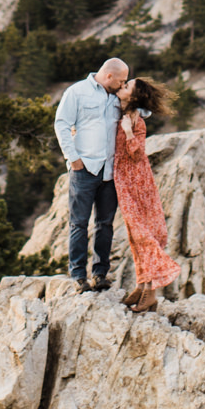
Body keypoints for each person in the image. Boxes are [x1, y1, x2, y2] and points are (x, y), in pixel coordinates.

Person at [54, 57, 129, 290]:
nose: (123, 85)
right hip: (84, 169)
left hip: (110, 171)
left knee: (105, 224)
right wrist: (73, 159)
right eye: (121, 81)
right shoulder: (77, 92)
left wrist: (133, 99)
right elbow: (61, 124)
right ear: (109, 76)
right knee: (79, 223)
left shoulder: (118, 96)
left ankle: (100, 274)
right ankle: (77, 275)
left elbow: (145, 110)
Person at [113, 77, 181, 312]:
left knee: (143, 234)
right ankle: (142, 285)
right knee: (134, 235)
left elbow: (137, 154)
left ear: (133, 97)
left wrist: (128, 132)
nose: (122, 87)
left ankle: (151, 291)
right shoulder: (119, 111)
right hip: (124, 181)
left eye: (127, 86)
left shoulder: (136, 122)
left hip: (138, 182)